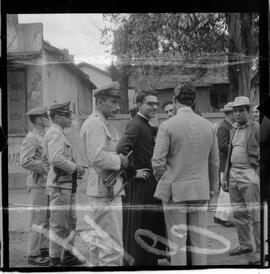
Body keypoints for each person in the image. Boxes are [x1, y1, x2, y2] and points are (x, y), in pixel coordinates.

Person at [152, 82, 219, 265]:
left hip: (175, 191)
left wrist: (165, 179)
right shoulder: (208, 126)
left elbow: (157, 162)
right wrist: (214, 191)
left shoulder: (167, 126)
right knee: (199, 241)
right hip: (200, 190)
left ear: (175, 100)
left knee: (177, 242)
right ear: (194, 101)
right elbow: (214, 163)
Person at [80, 82, 129, 266]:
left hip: (103, 188)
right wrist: (120, 160)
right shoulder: (95, 123)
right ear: (99, 101)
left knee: (99, 244)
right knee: (112, 248)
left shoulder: (99, 122)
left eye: (118, 102)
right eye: (113, 102)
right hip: (104, 189)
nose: (117, 107)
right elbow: (96, 156)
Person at [116, 90, 167, 266]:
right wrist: (132, 171)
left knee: (148, 223)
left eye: (155, 104)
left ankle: (148, 261)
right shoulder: (136, 124)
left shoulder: (146, 124)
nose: (154, 106)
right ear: (139, 104)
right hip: (141, 185)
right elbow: (121, 148)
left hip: (148, 184)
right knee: (142, 224)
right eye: (150, 103)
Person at [44, 101, 85, 267]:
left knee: (71, 221)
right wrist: (76, 168)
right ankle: (54, 259)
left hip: (66, 184)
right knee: (59, 224)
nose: (70, 117)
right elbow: (56, 158)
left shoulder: (59, 133)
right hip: (60, 186)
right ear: (57, 117)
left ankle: (68, 255)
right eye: (66, 115)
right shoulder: (55, 133)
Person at [221, 96, 260, 265]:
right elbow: (229, 155)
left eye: (240, 110)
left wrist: (257, 173)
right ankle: (245, 245)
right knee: (239, 213)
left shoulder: (257, 127)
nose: (237, 114)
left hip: (249, 173)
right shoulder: (233, 130)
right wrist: (226, 174)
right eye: (234, 111)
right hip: (234, 174)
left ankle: (260, 251)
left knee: (255, 214)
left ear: (248, 111)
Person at [20, 107, 51, 266]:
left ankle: (43, 250)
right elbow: (25, 160)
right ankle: (33, 255)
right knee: (37, 220)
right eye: (46, 116)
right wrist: (45, 167)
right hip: (37, 184)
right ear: (39, 119)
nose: (48, 118)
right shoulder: (31, 137)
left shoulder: (45, 135)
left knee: (46, 219)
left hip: (46, 184)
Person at [214, 102, 235, 227]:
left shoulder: (229, 126)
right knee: (226, 193)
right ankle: (222, 217)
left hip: (227, 164)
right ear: (230, 114)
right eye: (234, 112)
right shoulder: (224, 127)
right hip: (225, 164)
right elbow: (222, 147)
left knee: (224, 192)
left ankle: (219, 216)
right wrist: (236, 147)